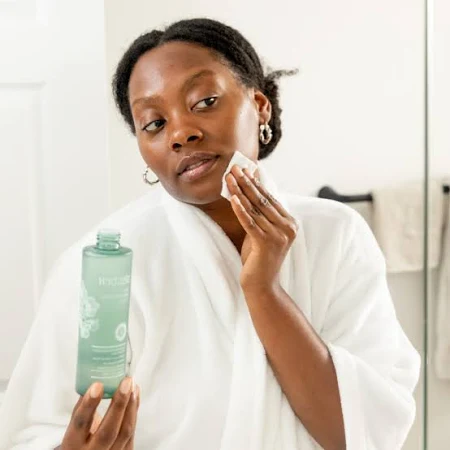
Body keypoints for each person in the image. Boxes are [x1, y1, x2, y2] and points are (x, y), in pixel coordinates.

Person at [0, 18, 420, 450]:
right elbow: (36, 430)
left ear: (259, 105)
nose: (181, 133)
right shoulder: (106, 264)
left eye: (204, 101)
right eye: (154, 124)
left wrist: (264, 291)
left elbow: (361, 433)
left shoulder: (335, 235)